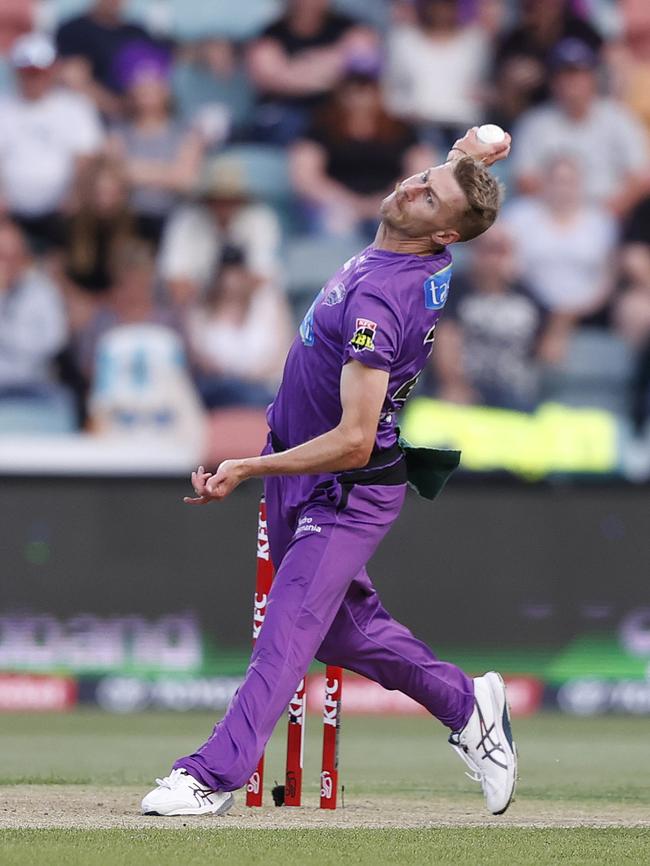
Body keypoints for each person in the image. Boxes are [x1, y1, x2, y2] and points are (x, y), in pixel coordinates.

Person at [141, 127, 518, 819]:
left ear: (444, 235)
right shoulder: (415, 243)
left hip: (343, 486)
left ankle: (208, 776)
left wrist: (248, 465)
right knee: (343, 632)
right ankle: (469, 704)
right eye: (419, 177)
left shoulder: (382, 302)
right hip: (308, 472)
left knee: (285, 634)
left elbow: (350, 440)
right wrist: (474, 151)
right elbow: (452, 180)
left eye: (426, 195)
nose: (408, 188)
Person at [512, 38, 649, 217]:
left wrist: (604, 215)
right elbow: (525, 181)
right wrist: (567, 215)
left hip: (611, 215)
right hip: (550, 217)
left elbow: (640, 177)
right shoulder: (534, 123)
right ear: (553, 81)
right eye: (564, 74)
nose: (571, 81)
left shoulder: (619, 118)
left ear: (592, 76)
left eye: (577, 73)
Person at [291, 67, 434, 238]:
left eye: (366, 90)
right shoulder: (321, 127)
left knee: (405, 225)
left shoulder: (400, 129)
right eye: (352, 90)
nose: (359, 98)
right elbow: (306, 176)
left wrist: (388, 200)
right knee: (336, 226)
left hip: (392, 201)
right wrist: (347, 203)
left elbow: (420, 169)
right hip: (336, 203)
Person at [0, 33, 104, 252]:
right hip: (9, 212)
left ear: (53, 71)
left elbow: (87, 158)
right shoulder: (4, 107)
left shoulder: (76, 107)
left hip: (62, 212)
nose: (34, 79)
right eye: (28, 73)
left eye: (40, 73)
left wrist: (74, 195)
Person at [433, 223, 548, 411]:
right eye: (488, 251)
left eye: (501, 252)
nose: (494, 260)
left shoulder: (528, 294)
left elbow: (547, 349)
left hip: (514, 391)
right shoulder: (454, 289)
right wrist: (453, 383)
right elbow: (445, 339)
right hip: (463, 388)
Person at [106, 43, 204, 247]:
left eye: (153, 84)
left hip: (175, 219)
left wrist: (136, 171)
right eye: (140, 85)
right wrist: (167, 173)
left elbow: (186, 180)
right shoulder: (118, 132)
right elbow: (115, 174)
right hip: (129, 220)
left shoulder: (186, 132)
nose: (146, 91)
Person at [247, 0, 379, 144]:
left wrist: (296, 68)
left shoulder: (350, 27)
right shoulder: (271, 34)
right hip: (287, 117)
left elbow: (363, 60)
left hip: (337, 112)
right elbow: (272, 78)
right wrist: (334, 63)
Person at [187, 246, 292, 409]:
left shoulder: (269, 302)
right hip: (219, 391)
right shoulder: (201, 310)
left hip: (264, 388)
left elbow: (284, 353)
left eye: (237, 273)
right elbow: (199, 358)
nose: (232, 280)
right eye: (227, 274)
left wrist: (254, 377)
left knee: (260, 397)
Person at [384, 0, 490, 150]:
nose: (441, 10)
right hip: (417, 123)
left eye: (447, 5)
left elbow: (483, 85)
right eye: (436, 5)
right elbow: (390, 87)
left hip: (463, 121)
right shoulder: (404, 39)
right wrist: (404, 110)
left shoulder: (475, 40)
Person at [56, 0, 159, 118]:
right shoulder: (73, 30)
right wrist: (114, 106)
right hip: (88, 116)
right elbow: (72, 76)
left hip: (133, 117)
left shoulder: (137, 33)